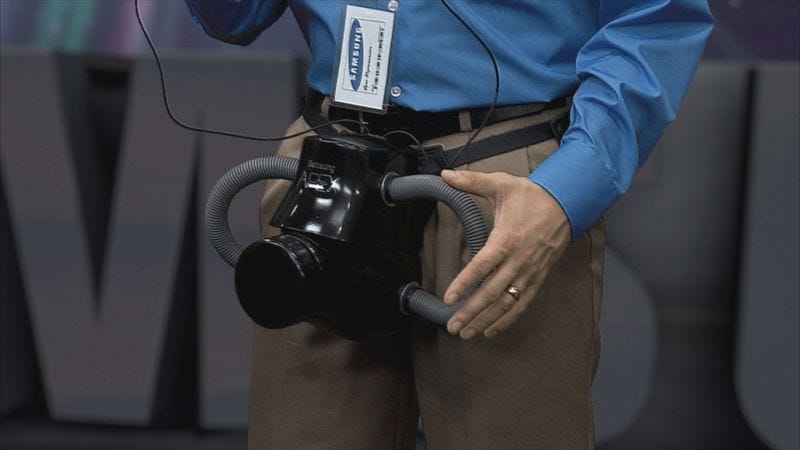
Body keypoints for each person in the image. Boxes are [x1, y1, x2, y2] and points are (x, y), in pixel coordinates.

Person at [184, 1, 713, 449]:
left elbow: (656, 19)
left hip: (502, 174)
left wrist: (563, 192)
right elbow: (232, 15)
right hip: (329, 157)